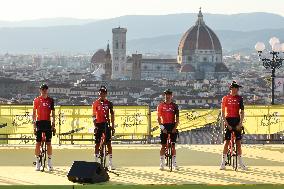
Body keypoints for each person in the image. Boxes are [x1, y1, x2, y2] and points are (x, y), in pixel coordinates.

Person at [220, 81, 247, 170]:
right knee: (227, 142)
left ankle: (240, 163)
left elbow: (242, 112)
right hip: (228, 120)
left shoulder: (240, 98)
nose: (236, 90)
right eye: (235, 88)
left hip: (237, 120)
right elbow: (223, 113)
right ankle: (223, 163)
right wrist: (227, 124)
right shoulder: (225, 98)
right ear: (231, 89)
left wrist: (240, 123)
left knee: (238, 142)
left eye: (237, 89)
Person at [33, 84, 55, 171]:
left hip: (47, 123)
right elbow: (34, 113)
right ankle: (38, 162)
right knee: (38, 143)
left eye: (45, 89)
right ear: (40, 90)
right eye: (43, 89)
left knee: (49, 143)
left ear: (47, 90)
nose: (44, 90)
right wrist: (34, 125)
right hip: (39, 123)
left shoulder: (51, 100)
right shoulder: (36, 100)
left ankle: (49, 163)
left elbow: (53, 114)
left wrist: (53, 124)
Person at [92, 86, 115, 170]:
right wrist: (95, 124)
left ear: (106, 94)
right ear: (99, 93)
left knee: (109, 143)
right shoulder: (95, 103)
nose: (102, 94)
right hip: (98, 124)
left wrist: (112, 125)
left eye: (103, 93)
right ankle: (96, 162)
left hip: (106, 124)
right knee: (97, 143)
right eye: (100, 93)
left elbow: (112, 114)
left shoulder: (109, 103)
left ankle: (110, 163)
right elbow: (94, 115)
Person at [157, 89, 179, 170]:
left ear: (171, 96)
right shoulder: (160, 105)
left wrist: (175, 128)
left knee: (173, 146)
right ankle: (162, 163)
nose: (168, 96)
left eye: (169, 94)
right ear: (164, 96)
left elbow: (177, 118)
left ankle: (174, 163)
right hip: (164, 126)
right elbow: (158, 118)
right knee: (163, 146)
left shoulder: (175, 106)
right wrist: (162, 128)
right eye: (166, 94)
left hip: (172, 125)